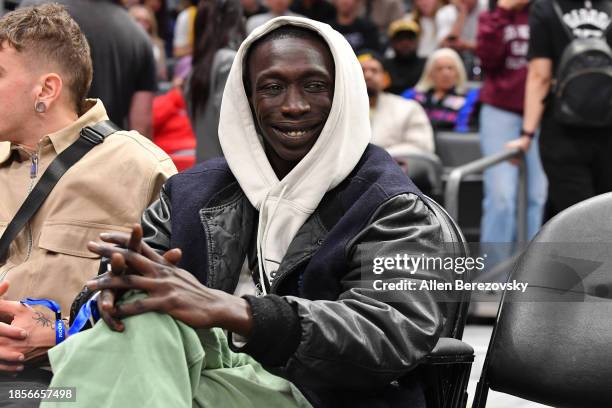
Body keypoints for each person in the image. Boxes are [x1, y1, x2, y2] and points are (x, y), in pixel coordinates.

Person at [42, 17, 455, 408]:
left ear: (345, 92)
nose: (293, 106)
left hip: (325, 396)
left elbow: (389, 333)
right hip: (196, 372)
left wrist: (238, 313)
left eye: (314, 85)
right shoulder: (189, 193)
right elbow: (107, 297)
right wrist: (112, 291)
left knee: (121, 358)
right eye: (272, 87)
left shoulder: (395, 209)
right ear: (247, 98)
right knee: (141, 316)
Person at [0, 4, 175, 403]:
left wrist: (65, 331)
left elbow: (177, 304)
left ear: (46, 90)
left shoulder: (141, 167)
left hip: (79, 383)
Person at [506, 0, 612, 219]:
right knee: (604, 212)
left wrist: (527, 134)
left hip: (562, 130)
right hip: (607, 123)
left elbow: (540, 77)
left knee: (575, 217)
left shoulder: (545, 7)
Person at [21, 0, 159, 139]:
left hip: (45, 147)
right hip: (108, 150)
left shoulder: (36, 12)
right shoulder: (138, 35)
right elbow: (141, 125)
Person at [477, 0, 547, 248]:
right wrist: (504, 12)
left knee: (537, 197)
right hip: (500, 110)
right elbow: (486, 60)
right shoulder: (492, 16)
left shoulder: (547, 11)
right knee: (501, 198)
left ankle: (533, 274)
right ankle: (493, 281)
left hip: (542, 112)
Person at [187, 0, 245, 162]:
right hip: (227, 168)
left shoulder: (197, 68)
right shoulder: (229, 62)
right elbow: (231, 124)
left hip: (207, 164)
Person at [359, 50, 434, 157]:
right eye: (362, 70)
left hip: (395, 169)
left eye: (374, 70)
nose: (368, 75)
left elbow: (422, 147)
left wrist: (380, 157)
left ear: (385, 79)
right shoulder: (340, 110)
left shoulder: (409, 108)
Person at [403, 48, 479, 132]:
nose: (445, 74)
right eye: (439, 69)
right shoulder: (412, 96)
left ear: (458, 72)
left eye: (450, 68)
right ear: (430, 73)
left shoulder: (469, 98)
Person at [384, 18, 427, 95]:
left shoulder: (426, 64)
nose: (405, 43)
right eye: (400, 39)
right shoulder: (384, 65)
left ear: (417, 42)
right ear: (392, 42)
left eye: (410, 38)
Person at [129, 4, 168, 81]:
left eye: (146, 21)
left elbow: (163, 74)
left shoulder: (158, 44)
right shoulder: (122, 43)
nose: (142, 24)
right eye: (138, 20)